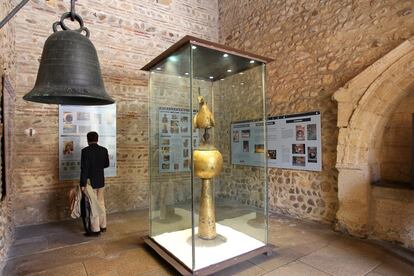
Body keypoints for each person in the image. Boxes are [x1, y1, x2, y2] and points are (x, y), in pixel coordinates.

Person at [80, 131, 109, 236]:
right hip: (101, 180)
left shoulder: (85, 151)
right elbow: (106, 164)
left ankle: (95, 229)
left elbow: (84, 169)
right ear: (97, 139)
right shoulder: (104, 150)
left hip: (89, 181)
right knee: (101, 203)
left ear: (87, 140)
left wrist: (82, 184)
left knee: (93, 204)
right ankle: (103, 226)